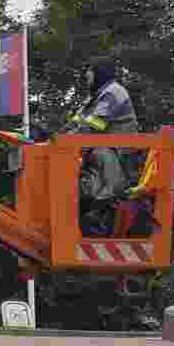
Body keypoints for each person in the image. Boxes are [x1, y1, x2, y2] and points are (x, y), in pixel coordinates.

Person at [60, 55, 140, 235]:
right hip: (97, 151)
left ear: (99, 72)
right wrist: (55, 138)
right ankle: (87, 219)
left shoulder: (113, 92)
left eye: (89, 71)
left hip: (116, 152)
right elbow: (75, 123)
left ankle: (98, 215)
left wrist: (66, 140)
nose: (86, 75)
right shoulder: (95, 97)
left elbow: (95, 124)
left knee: (109, 186)